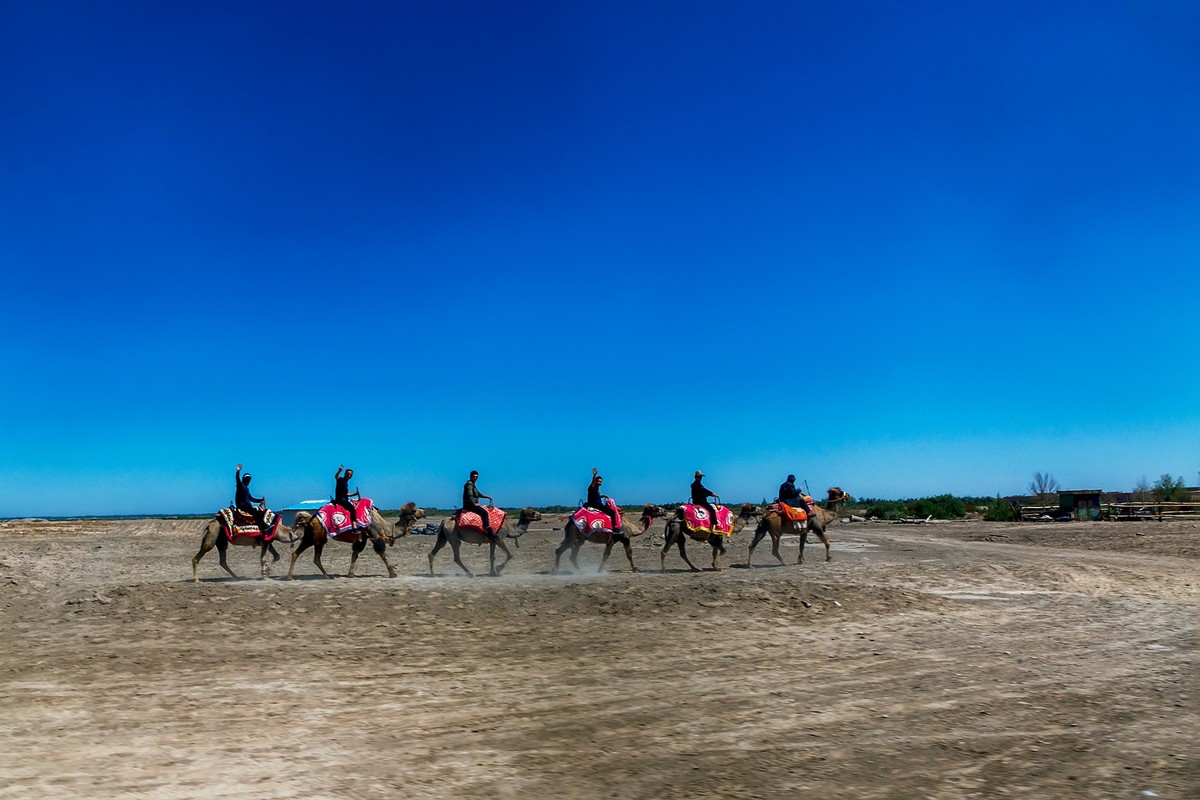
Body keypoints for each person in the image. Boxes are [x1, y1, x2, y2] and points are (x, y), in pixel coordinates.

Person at [234, 464, 269, 532]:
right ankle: (263, 526)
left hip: (246, 505)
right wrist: (238, 471)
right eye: (247, 480)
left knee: (257, 511)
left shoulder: (246, 488)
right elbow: (237, 479)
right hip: (242, 506)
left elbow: (251, 499)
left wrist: (260, 500)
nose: (248, 481)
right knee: (256, 512)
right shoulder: (240, 485)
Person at [585, 467, 620, 532]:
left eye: (601, 482)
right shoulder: (592, 486)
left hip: (597, 503)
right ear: (595, 481)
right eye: (599, 481)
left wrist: (602, 496)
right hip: (596, 505)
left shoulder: (596, 489)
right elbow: (593, 482)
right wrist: (594, 475)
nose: (600, 483)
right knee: (612, 512)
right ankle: (615, 528)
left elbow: (595, 496)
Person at [462, 470, 495, 538]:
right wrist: (474, 504)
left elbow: (478, 494)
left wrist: (487, 497)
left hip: (472, 504)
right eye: (474, 477)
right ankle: (487, 529)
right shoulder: (469, 485)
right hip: (470, 505)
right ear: (470, 477)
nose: (475, 478)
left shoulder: (473, 485)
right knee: (484, 513)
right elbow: (470, 495)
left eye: (476, 477)